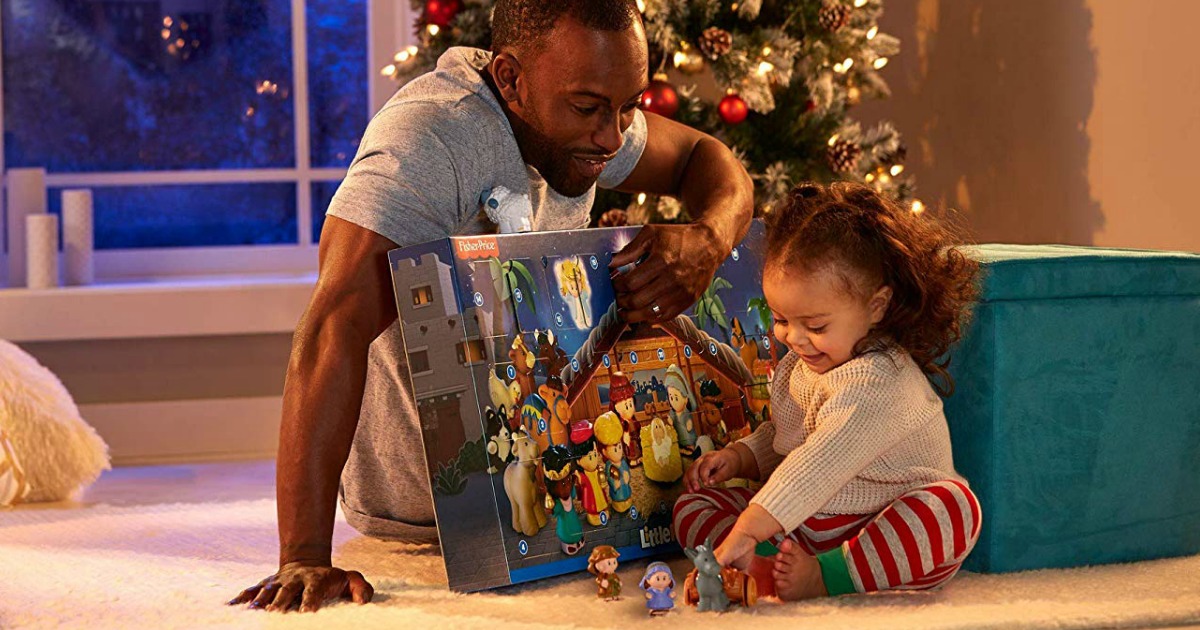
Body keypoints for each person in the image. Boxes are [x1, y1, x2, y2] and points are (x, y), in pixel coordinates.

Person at [228, 0, 753, 614]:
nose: (614, 136)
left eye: (630, 105)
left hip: (562, 496)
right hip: (425, 508)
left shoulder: (586, 97)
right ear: (510, 81)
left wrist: (710, 237)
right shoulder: (429, 139)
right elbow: (331, 325)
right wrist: (305, 555)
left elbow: (704, 159)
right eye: (588, 109)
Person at [672, 182, 981, 600]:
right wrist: (740, 456)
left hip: (877, 522)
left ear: (876, 307)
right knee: (690, 506)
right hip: (808, 521)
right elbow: (791, 435)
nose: (793, 338)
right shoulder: (803, 365)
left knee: (953, 510)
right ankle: (762, 568)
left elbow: (816, 463)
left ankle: (829, 576)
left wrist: (746, 529)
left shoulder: (878, 383)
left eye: (816, 326)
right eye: (781, 319)